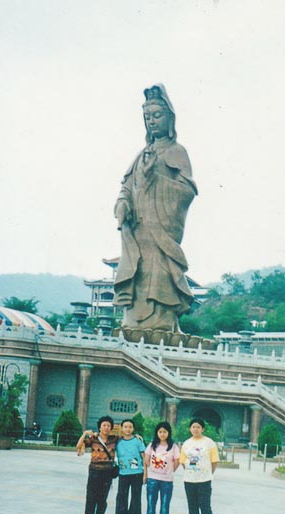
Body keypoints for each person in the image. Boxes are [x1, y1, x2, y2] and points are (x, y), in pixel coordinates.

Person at [113, 84, 197, 334]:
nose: (152, 122)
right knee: (137, 273)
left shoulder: (177, 152)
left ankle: (161, 323)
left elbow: (187, 191)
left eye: (157, 116)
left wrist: (156, 179)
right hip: (138, 231)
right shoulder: (141, 155)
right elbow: (127, 188)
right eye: (147, 117)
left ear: (170, 118)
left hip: (161, 231)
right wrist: (122, 205)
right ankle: (133, 322)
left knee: (158, 273)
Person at [179, 418, 222, 514]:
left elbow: (214, 462)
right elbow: (183, 462)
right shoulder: (186, 443)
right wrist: (191, 473)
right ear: (190, 429)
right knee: (192, 505)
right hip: (189, 480)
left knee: (205, 506)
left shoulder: (209, 443)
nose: (195, 429)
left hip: (204, 480)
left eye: (198, 427)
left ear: (203, 429)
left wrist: (207, 473)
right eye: (193, 427)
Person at [76, 416, 119, 514]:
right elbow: (79, 446)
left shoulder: (114, 439)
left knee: (102, 499)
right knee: (91, 498)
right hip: (94, 471)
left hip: (108, 472)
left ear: (111, 428)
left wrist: (137, 437)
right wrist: (85, 434)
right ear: (100, 427)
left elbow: (127, 437)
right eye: (104, 425)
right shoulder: (94, 439)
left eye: (108, 425)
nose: (106, 427)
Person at [140, 421, 180, 514]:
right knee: (151, 502)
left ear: (169, 433)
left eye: (165, 432)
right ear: (157, 433)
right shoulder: (152, 445)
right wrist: (148, 473)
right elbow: (146, 460)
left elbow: (177, 461)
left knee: (164, 503)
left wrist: (170, 471)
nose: (162, 434)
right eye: (160, 431)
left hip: (167, 480)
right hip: (153, 478)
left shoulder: (173, 446)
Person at [109, 418, 146, 514]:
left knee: (135, 496)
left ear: (133, 428)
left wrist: (145, 474)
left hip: (137, 474)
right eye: (125, 427)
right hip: (123, 473)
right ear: (121, 428)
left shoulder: (138, 441)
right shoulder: (118, 441)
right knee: (121, 496)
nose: (128, 429)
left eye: (130, 427)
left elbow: (144, 458)